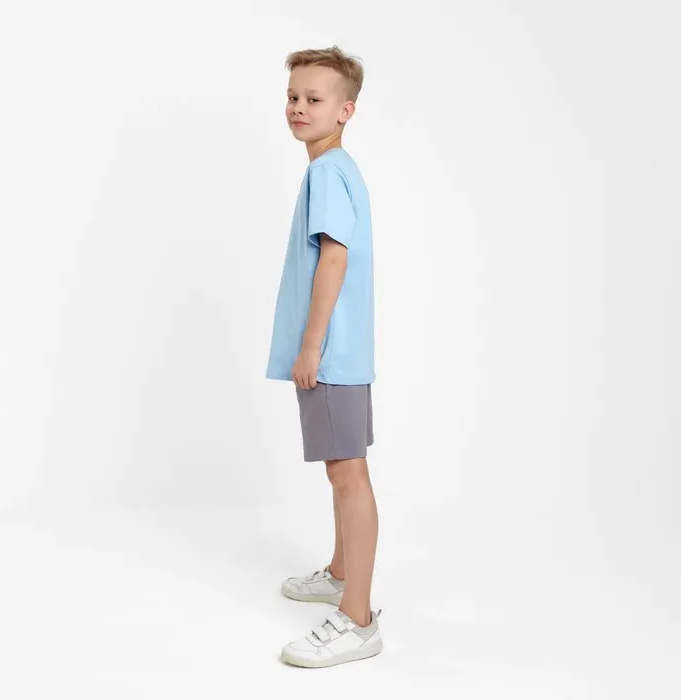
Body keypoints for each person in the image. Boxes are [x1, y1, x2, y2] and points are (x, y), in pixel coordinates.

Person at [265, 46, 382, 668]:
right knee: (343, 469)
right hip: (339, 351)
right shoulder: (335, 169)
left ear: (345, 110)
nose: (298, 108)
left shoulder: (326, 173)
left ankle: (357, 620)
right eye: (293, 96)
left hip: (331, 353)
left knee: (347, 473)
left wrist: (310, 345)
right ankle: (340, 574)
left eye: (314, 99)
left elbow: (333, 258)